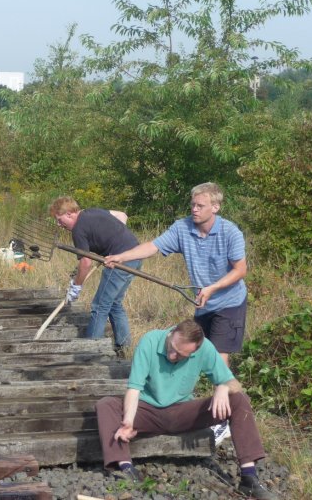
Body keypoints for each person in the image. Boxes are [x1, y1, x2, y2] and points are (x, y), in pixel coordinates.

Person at [105, 182, 248, 444]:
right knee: (194, 351)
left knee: (218, 355)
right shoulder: (183, 228)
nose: (194, 209)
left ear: (215, 207)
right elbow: (154, 246)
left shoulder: (230, 232)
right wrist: (122, 257)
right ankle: (196, 407)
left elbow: (240, 270)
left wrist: (213, 288)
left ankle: (224, 419)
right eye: (192, 204)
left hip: (229, 301)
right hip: (203, 304)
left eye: (200, 205)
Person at [95, 319, 278, 499]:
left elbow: (233, 383)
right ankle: (125, 468)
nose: (173, 356)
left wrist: (223, 387)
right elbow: (134, 389)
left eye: (181, 355)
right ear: (172, 333)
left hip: (182, 412)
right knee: (106, 404)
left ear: (195, 351)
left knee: (239, 399)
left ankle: (249, 477)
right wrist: (127, 421)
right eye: (172, 349)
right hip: (147, 410)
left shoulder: (205, 347)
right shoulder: (149, 341)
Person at [49, 196, 141, 356]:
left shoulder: (78, 230)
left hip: (120, 262)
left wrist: (76, 287)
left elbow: (86, 262)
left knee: (100, 306)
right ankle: (124, 347)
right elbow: (122, 215)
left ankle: (91, 352)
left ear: (70, 214)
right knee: (114, 303)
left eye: (59, 219)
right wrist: (115, 237)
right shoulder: (91, 212)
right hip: (136, 255)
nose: (59, 224)